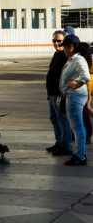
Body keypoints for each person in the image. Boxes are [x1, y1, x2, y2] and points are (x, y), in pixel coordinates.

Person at [59, 35, 91, 166]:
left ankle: (80, 156)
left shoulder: (78, 59)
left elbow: (85, 76)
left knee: (77, 126)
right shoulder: (72, 59)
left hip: (75, 95)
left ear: (70, 47)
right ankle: (79, 153)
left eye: (64, 47)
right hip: (72, 95)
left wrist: (76, 84)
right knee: (76, 126)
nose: (63, 50)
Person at [45, 30, 72, 156]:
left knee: (62, 120)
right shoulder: (57, 54)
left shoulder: (65, 57)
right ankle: (59, 143)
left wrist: (62, 94)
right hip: (52, 93)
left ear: (64, 41)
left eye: (59, 41)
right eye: (54, 40)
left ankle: (67, 147)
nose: (56, 43)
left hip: (59, 94)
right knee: (54, 119)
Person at [78, 42, 93, 144]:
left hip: (87, 84)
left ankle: (87, 133)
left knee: (84, 109)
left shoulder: (83, 60)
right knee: (86, 108)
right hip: (90, 83)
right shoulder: (89, 58)